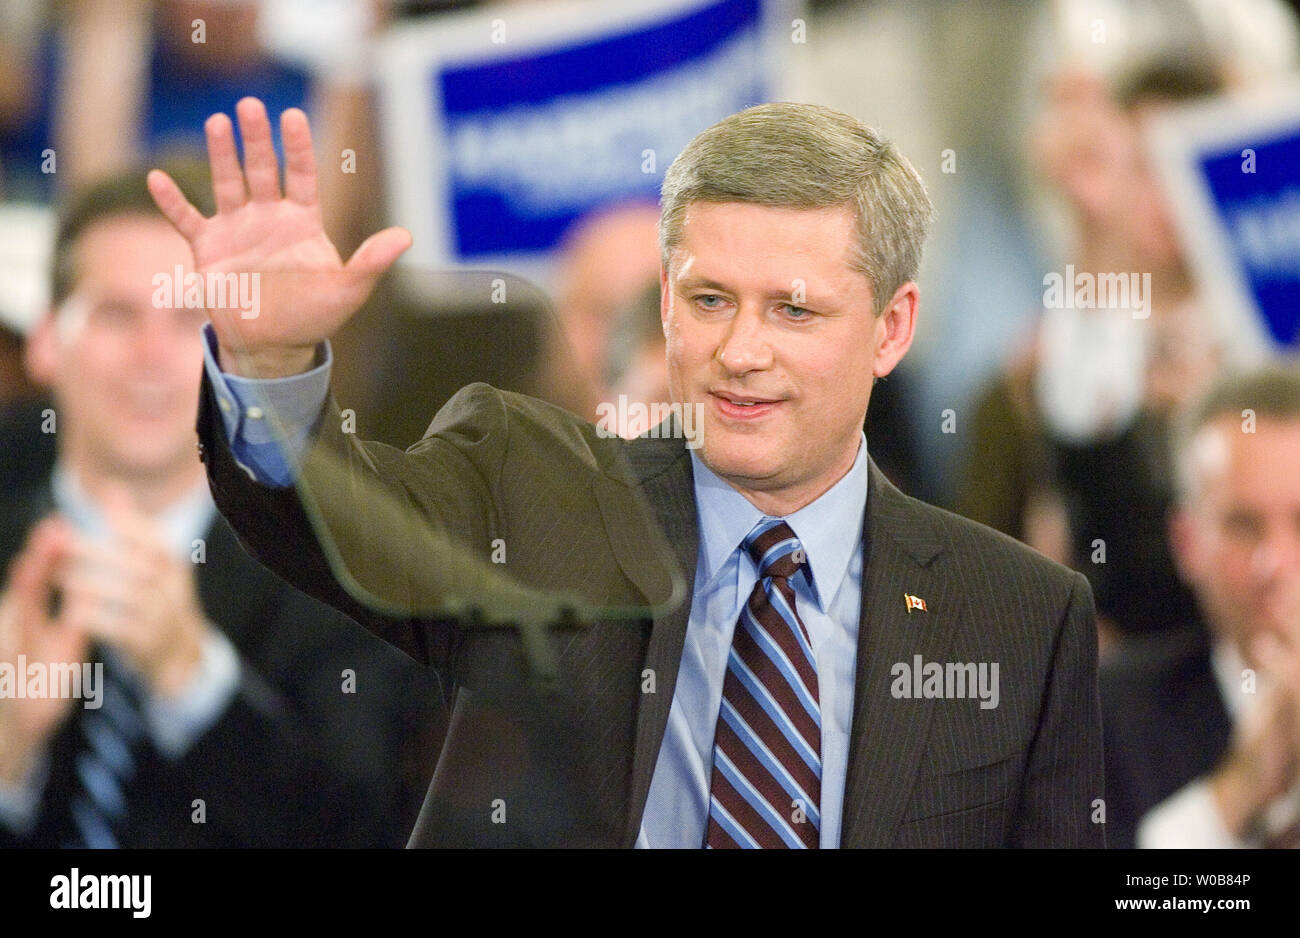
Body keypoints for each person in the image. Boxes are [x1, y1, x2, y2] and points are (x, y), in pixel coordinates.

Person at [146, 96, 1104, 848]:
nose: (740, 350)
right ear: (667, 301)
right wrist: (268, 363)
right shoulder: (536, 486)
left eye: (793, 312)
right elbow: (320, 521)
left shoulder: (1020, 614)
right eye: (710, 299)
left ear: (892, 328)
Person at [0, 166, 441, 848]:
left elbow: (369, 829)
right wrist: (8, 768)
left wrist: (194, 682)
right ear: (46, 341)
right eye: (117, 314)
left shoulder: (341, 583)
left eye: (187, 321)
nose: (150, 357)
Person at [1102, 365, 1300, 848]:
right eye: (1242, 525)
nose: (1273, 563)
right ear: (1187, 542)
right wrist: (1241, 787)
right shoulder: (1108, 712)